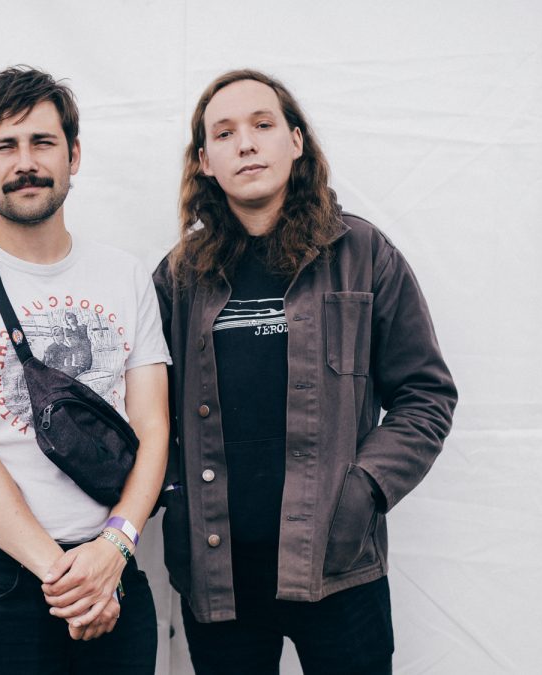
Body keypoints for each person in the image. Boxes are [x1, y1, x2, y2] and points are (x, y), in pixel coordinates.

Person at [154, 69, 458, 675]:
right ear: (205, 161)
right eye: (225, 132)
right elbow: (146, 411)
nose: (246, 143)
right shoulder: (177, 278)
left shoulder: (365, 255)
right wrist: (173, 494)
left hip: (338, 564)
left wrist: (365, 487)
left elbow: (425, 394)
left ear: (296, 142)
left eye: (263, 125)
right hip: (220, 578)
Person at [0, 66, 170, 674]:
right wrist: (66, 580)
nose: (26, 162)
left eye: (42, 143)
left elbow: (154, 428)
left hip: (113, 566)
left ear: (73, 155)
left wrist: (115, 548)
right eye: (4, 146)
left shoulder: (125, 275)